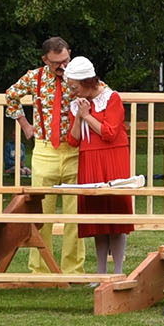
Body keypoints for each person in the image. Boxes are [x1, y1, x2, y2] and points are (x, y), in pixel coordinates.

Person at [4, 37, 80, 274]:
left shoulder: (79, 74)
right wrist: (25, 126)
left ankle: (73, 270)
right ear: (45, 60)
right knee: (41, 213)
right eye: (56, 63)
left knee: (76, 215)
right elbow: (11, 95)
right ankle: (41, 271)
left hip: (75, 150)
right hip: (45, 150)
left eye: (65, 60)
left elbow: (102, 92)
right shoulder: (34, 77)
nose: (62, 66)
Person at [66, 57, 133, 275]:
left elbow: (109, 132)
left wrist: (87, 116)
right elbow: (73, 140)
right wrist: (79, 117)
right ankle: (101, 272)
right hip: (90, 158)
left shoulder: (111, 98)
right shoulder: (77, 103)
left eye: (75, 87)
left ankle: (118, 271)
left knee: (115, 214)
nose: (72, 91)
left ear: (87, 82)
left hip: (112, 158)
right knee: (97, 219)